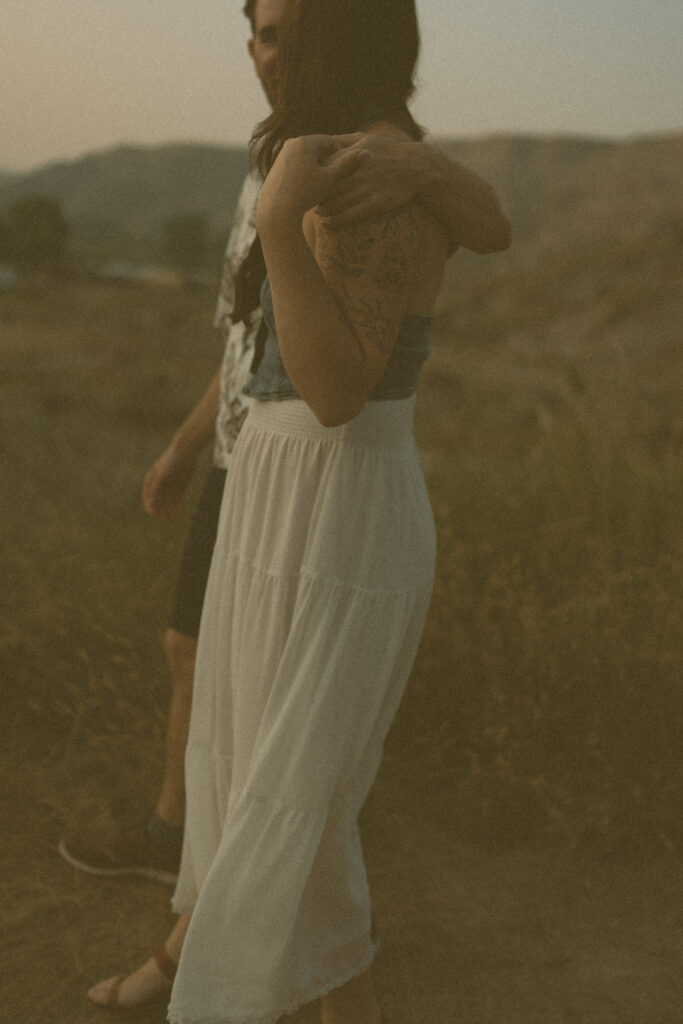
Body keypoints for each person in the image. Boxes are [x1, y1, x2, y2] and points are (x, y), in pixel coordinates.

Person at [85, 1, 506, 1021]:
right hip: (277, 500)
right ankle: (193, 957)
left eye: (278, 27)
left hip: (329, 512)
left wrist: (279, 222)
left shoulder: (364, 178)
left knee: (295, 806)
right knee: (253, 783)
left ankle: (230, 979)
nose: (254, 49)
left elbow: (333, 393)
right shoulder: (329, 158)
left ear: (338, 31)